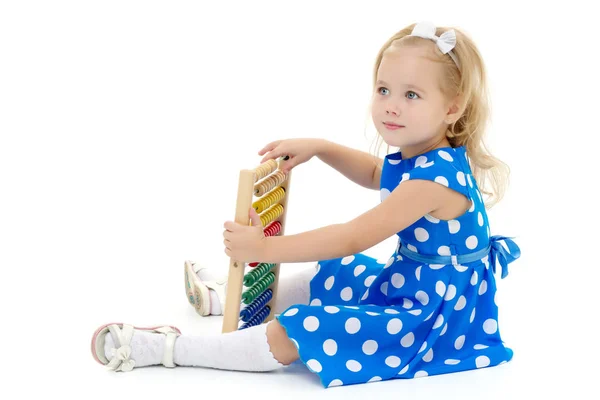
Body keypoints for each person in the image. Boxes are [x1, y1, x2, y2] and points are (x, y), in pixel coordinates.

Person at [90, 21, 521, 388]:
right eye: (384, 89)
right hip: (410, 285)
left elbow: (353, 236)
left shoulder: (432, 182)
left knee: (302, 330)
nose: (390, 106)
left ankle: (171, 348)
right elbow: (376, 174)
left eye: (411, 95)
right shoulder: (425, 155)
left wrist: (263, 250)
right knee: (335, 275)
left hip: (432, 319)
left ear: (453, 107)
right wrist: (321, 147)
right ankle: (225, 298)